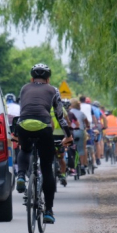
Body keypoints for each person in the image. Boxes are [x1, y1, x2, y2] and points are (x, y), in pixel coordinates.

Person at [15, 64, 73, 224]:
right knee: (47, 167)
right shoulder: (53, 90)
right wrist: (68, 136)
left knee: (25, 150)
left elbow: (23, 110)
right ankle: (48, 211)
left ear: (32, 78)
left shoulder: (24, 88)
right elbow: (60, 116)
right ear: (48, 79)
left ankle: (20, 175)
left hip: (24, 125)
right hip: (44, 126)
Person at [69, 98, 90, 174]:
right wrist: (88, 127)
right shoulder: (81, 113)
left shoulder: (68, 112)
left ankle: (71, 166)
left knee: (70, 148)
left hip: (71, 132)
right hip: (80, 131)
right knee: (81, 148)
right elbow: (87, 123)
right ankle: (82, 166)